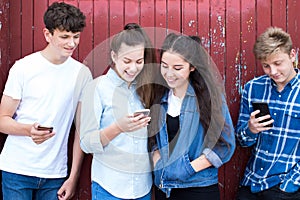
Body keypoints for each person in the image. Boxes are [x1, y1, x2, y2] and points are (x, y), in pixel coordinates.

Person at [0, 2, 92, 200]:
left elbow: (81, 130)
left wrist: (73, 177)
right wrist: (28, 130)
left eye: (76, 37)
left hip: (55, 175)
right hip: (17, 170)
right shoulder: (23, 68)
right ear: (47, 34)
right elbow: (2, 120)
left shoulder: (82, 74)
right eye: (65, 37)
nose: (72, 43)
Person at [149, 33, 236, 199]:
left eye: (177, 68)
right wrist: (156, 159)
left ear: (192, 67)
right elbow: (153, 138)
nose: (169, 73)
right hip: (164, 188)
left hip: (198, 188)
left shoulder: (209, 98)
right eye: (164, 65)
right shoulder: (159, 97)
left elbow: (225, 144)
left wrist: (187, 168)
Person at [79, 24, 157, 200]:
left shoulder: (146, 88)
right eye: (126, 61)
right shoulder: (97, 88)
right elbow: (86, 143)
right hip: (109, 187)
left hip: (142, 187)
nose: (133, 68)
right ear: (114, 56)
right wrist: (118, 128)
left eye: (139, 62)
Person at [235, 27, 300, 200]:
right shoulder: (253, 88)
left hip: (286, 187)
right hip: (251, 182)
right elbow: (242, 141)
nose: (272, 71)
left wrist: (291, 184)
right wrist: (250, 129)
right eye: (266, 66)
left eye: (278, 63)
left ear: (292, 55)